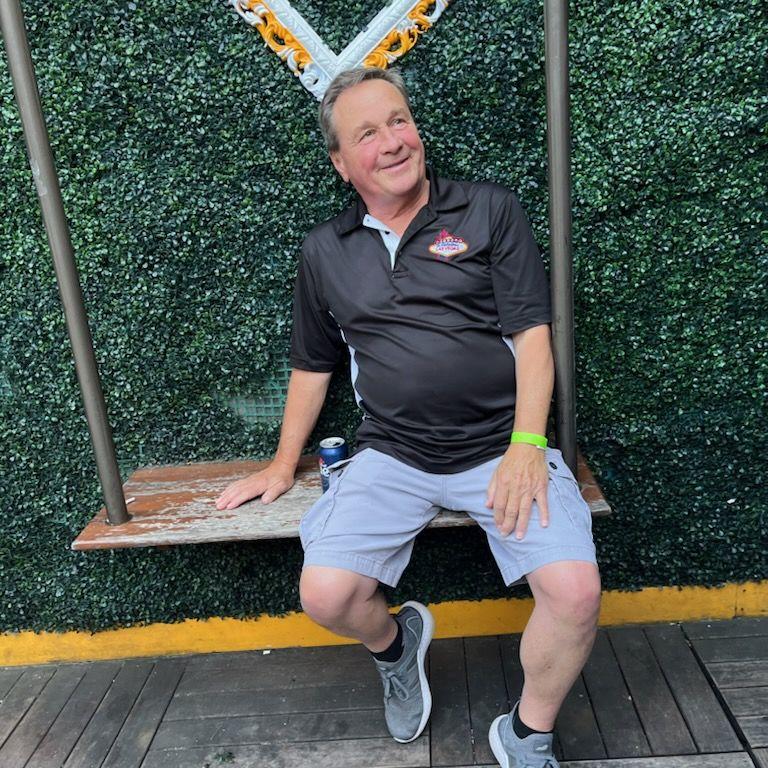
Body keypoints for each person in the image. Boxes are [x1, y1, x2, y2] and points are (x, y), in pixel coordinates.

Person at [216, 66, 601, 768]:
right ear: (341, 163)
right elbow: (313, 365)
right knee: (327, 595)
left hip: (500, 446)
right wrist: (280, 464)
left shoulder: (489, 210)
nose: (393, 141)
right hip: (393, 453)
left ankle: (528, 734)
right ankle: (397, 647)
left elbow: (532, 337)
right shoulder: (325, 251)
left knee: (575, 592)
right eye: (367, 133)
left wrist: (526, 442)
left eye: (399, 120)